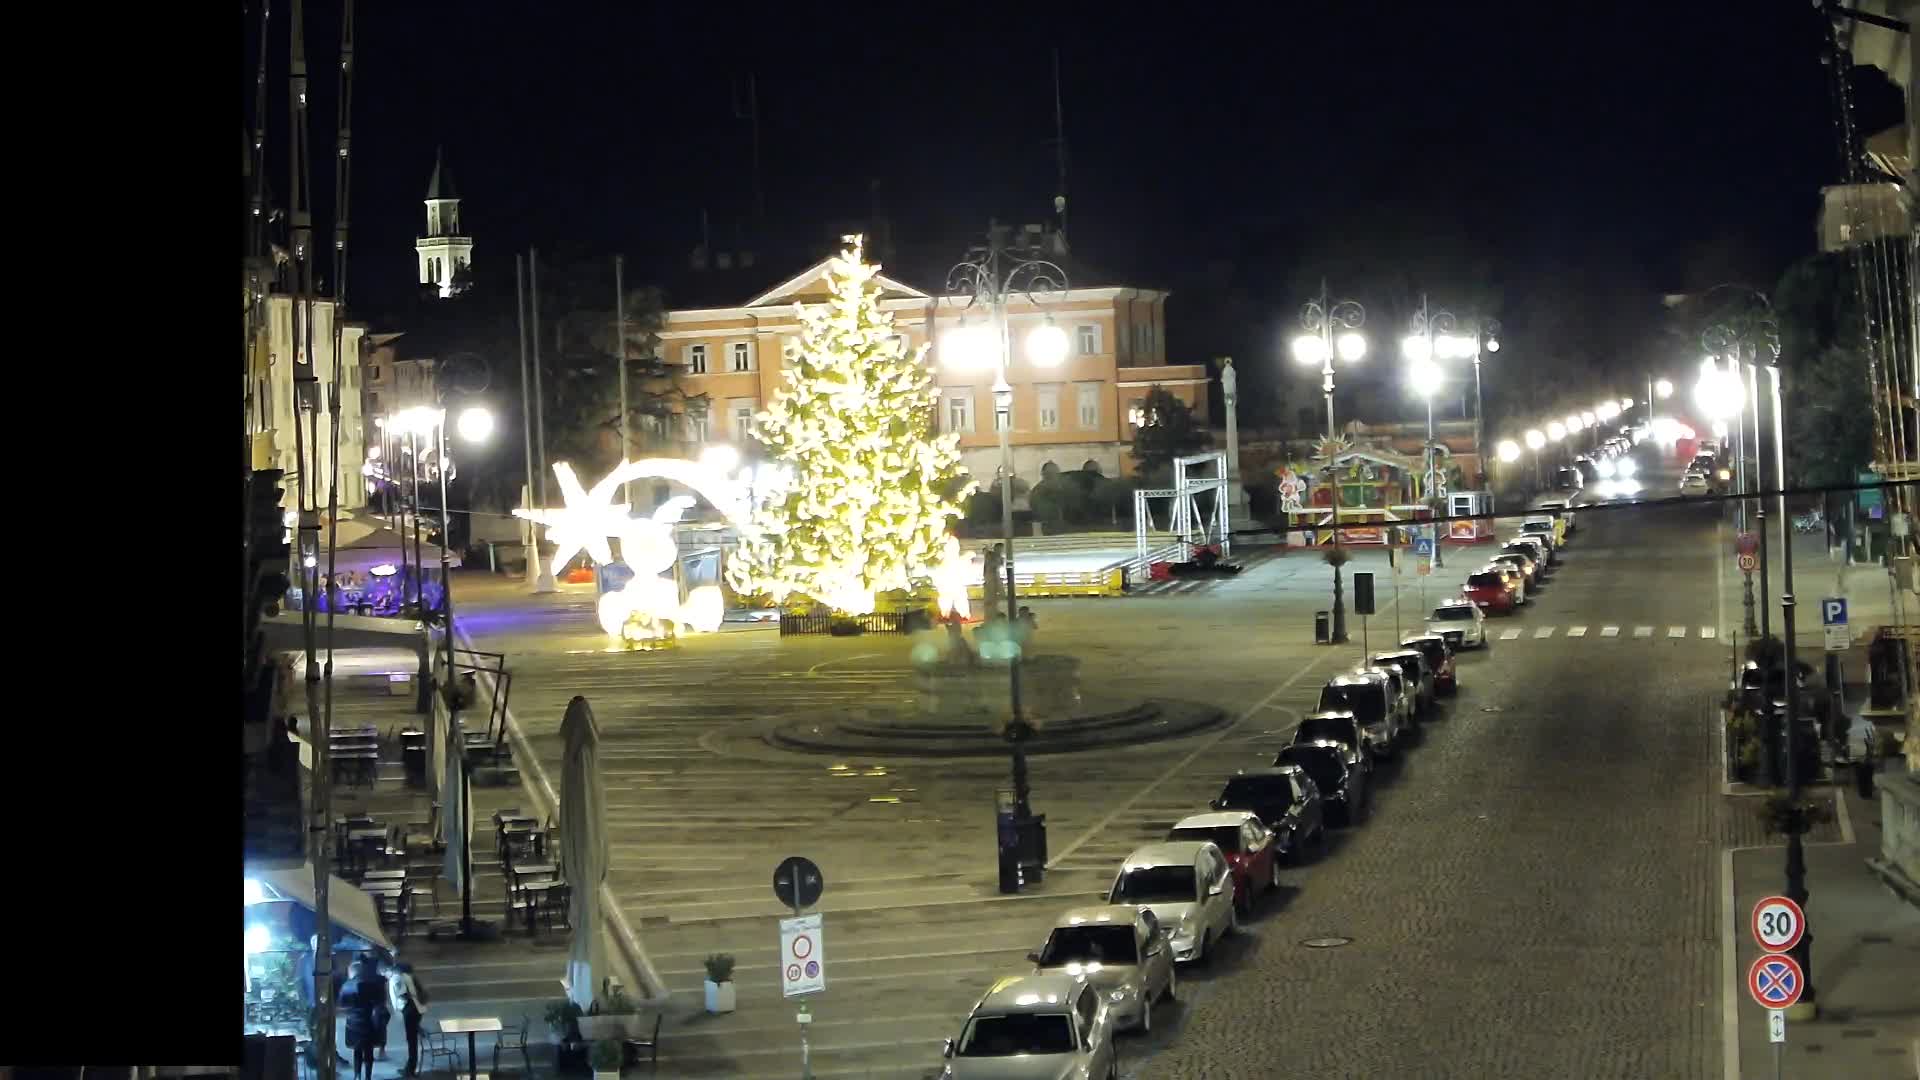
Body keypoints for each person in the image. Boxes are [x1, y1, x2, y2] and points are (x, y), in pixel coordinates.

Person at [387, 958, 428, 1077]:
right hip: (417, 1009)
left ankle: (410, 1069)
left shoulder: (397, 978)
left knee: (411, 1041)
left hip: (410, 1010)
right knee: (412, 1039)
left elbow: (402, 994)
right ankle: (410, 1067)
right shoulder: (409, 977)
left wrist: (402, 1007)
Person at [1848, 711, 1879, 798]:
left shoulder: (1859, 730)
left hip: (1863, 760)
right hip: (1864, 761)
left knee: (1863, 778)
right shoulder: (1866, 731)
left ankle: (1865, 793)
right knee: (1866, 777)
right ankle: (1866, 793)